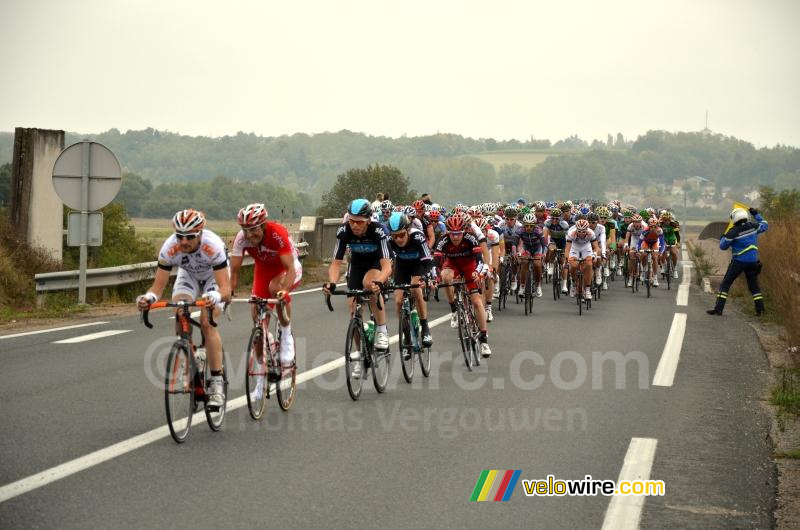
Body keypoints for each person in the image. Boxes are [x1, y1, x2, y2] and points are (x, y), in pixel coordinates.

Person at [136, 209, 231, 408]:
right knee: (180, 311)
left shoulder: (212, 246)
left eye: (189, 237)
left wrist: (215, 296)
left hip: (214, 279)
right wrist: (148, 298)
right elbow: (157, 288)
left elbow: (226, 288)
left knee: (207, 322)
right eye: (180, 236)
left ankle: (217, 383)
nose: (184, 241)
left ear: (200, 234)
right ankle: (188, 358)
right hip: (188, 276)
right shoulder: (170, 248)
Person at [229, 203, 301, 372]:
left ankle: (286, 335)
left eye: (253, 229)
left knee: (276, 288)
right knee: (256, 314)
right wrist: (229, 293)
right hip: (263, 270)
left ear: (263, 225)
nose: (249, 234)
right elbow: (234, 271)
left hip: (288, 268)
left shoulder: (277, 234)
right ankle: (261, 382)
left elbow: (290, 268)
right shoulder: (241, 238)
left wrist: (285, 290)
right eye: (245, 229)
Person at [323, 199, 393, 360]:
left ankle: (382, 330)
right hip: (357, 264)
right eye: (352, 220)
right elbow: (335, 264)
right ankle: (361, 352)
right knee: (352, 310)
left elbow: (387, 267)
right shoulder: (344, 231)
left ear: (368, 220)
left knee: (369, 284)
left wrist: (379, 282)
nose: (354, 225)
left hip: (377, 263)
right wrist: (332, 283)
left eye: (359, 222)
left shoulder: (378, 231)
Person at [435, 214, 492, 357]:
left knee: (477, 301)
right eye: (453, 234)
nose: (455, 237)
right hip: (452, 265)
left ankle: (484, 340)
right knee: (445, 277)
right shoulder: (443, 240)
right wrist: (434, 278)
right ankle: (454, 310)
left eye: (458, 233)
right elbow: (436, 263)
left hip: (469, 265)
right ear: (448, 232)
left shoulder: (470, 238)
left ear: (464, 231)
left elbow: (479, 260)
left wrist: (478, 273)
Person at [707, 207, 769, 316]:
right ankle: (761, 310)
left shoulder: (733, 232)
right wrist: (756, 214)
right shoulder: (754, 227)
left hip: (739, 262)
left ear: (734, 219)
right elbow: (765, 225)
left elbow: (723, 246)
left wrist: (723, 237)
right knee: (754, 286)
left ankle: (718, 309)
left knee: (726, 283)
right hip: (753, 262)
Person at [387, 212, 434, 349]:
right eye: (395, 236)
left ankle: (425, 327)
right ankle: (406, 335)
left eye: (401, 235)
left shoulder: (417, 236)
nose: (399, 239)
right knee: (398, 300)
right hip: (402, 266)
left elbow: (428, 261)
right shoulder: (389, 241)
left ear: (408, 230)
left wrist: (425, 277)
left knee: (415, 287)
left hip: (418, 264)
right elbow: (386, 262)